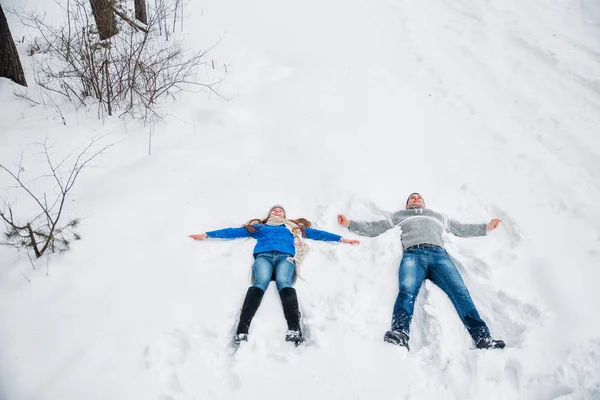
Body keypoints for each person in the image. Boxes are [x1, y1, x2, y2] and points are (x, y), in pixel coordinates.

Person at [337, 193, 505, 350]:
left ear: (424, 203)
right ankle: (400, 332)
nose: (416, 200)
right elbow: (376, 227)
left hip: (439, 256)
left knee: (460, 292)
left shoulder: (436, 216)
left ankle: (483, 338)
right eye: (412, 198)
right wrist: (350, 224)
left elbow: (460, 228)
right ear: (407, 204)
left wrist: (486, 227)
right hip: (413, 255)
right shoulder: (400, 216)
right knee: (407, 290)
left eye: (418, 198)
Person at [190, 205, 360, 346]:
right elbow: (233, 232)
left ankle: (294, 329)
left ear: (285, 215)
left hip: (285, 257)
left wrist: (343, 239)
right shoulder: (260, 227)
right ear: (269, 214)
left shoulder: (292, 228)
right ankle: (242, 329)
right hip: (264, 256)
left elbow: (318, 234)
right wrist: (206, 235)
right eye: (274, 210)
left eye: (280, 211)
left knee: (283, 281)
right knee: (260, 282)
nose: (277, 212)